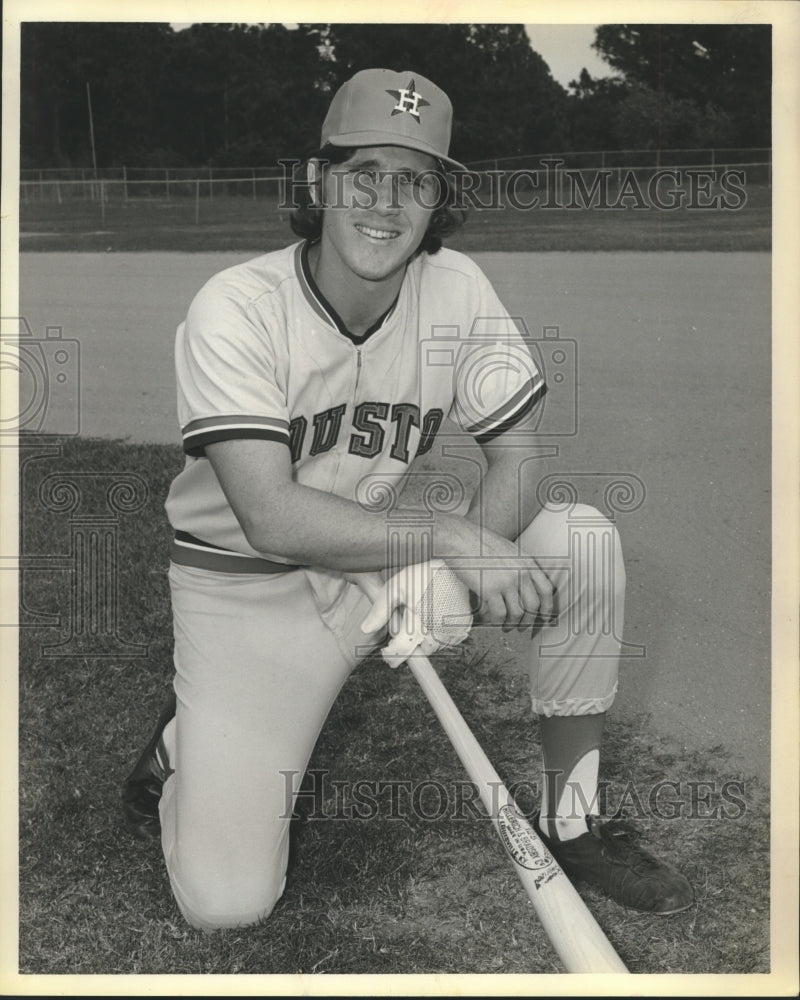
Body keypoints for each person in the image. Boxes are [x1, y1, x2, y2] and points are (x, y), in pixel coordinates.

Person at [122, 68, 693, 931]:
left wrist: (451, 565)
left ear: (439, 200)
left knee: (581, 542)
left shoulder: (457, 289)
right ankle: (184, 748)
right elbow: (270, 516)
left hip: (383, 564)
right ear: (319, 181)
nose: (386, 201)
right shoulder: (236, 307)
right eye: (364, 173)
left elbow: (517, 454)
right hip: (249, 589)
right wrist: (444, 542)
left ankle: (572, 819)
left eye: (414, 179)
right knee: (227, 903)